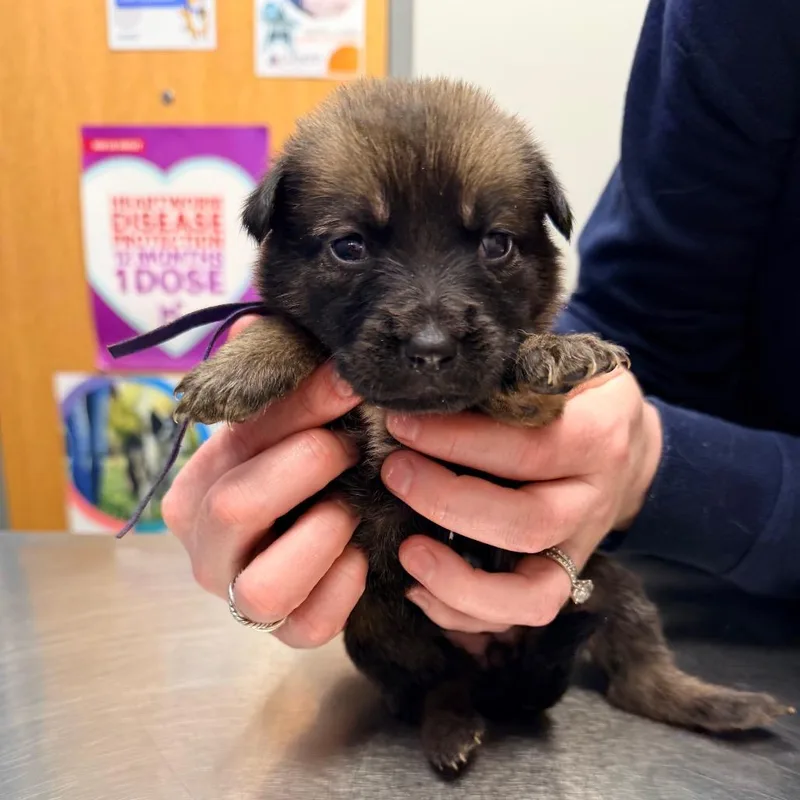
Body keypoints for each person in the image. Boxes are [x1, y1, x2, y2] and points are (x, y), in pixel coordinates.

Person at [162, 0, 800, 648]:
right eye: (350, 248)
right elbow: (643, 314)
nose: (432, 332)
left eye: (494, 245)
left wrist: (653, 466)